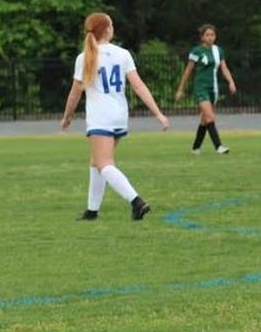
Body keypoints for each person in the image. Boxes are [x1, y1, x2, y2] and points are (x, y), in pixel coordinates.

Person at [60, 12, 170, 221]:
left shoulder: (84, 58)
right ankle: (92, 211)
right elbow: (138, 85)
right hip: (119, 116)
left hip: (100, 117)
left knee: (104, 164)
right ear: (107, 29)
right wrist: (158, 114)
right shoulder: (122, 54)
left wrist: (67, 117)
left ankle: (136, 201)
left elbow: (75, 92)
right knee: (96, 161)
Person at [175, 24, 237, 154]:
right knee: (210, 117)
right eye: (207, 35)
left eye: (212, 35)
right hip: (200, 88)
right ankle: (219, 146)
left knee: (204, 120)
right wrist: (181, 89)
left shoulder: (218, 51)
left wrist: (231, 81)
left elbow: (224, 68)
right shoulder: (196, 51)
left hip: (212, 88)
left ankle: (196, 148)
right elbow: (188, 71)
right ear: (202, 37)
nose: (210, 37)